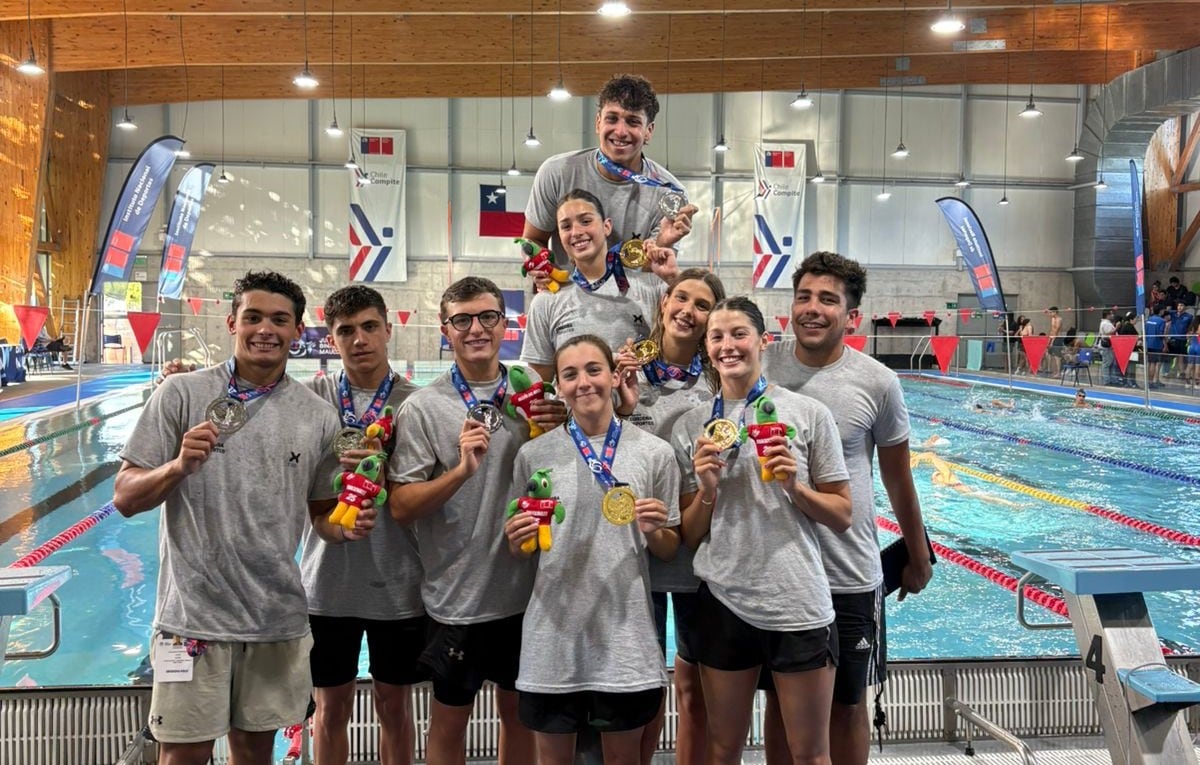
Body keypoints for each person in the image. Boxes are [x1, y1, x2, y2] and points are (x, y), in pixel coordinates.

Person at [112, 271, 357, 765]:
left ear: (297, 331)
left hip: (274, 616)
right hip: (191, 619)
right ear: (232, 323)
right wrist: (178, 466)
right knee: (183, 754)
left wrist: (346, 526)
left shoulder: (318, 416)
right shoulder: (180, 394)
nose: (265, 328)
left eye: (279, 319)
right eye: (253, 317)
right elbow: (125, 497)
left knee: (253, 752)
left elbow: (321, 517)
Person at [759, 252, 931, 765]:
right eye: (804, 297)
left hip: (849, 572)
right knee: (781, 707)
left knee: (848, 705)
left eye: (828, 299)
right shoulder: (763, 368)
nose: (812, 309)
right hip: (780, 570)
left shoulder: (878, 382)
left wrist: (918, 557)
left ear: (852, 316)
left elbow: (898, 479)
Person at [388, 276, 564, 765]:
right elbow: (401, 507)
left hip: (529, 595)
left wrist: (556, 435)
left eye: (487, 316)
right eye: (462, 320)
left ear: (505, 324)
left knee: (519, 717)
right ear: (446, 330)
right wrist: (463, 472)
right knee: (448, 722)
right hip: (457, 598)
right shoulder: (424, 407)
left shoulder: (540, 397)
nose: (476, 329)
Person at [671, 296, 852, 765]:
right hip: (724, 598)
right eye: (716, 336)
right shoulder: (693, 425)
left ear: (762, 341)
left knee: (810, 753)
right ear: (706, 348)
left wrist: (796, 487)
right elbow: (690, 536)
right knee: (723, 746)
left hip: (797, 601)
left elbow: (841, 513)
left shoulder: (809, 414)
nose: (727, 345)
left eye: (738, 334)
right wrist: (707, 489)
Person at [504, 334, 680, 765]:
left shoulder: (655, 453)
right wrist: (516, 541)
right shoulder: (533, 454)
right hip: (552, 640)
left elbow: (669, 549)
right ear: (559, 386)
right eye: (570, 374)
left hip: (625, 643)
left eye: (593, 370)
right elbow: (522, 550)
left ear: (614, 376)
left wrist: (656, 530)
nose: (583, 382)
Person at [300, 286, 425, 765]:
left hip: (400, 583)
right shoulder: (312, 398)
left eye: (370, 326)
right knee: (330, 708)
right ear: (332, 339)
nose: (360, 340)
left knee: (395, 706)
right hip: (328, 586)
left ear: (389, 330)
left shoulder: (418, 402)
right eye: (346, 331)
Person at [613, 268, 726, 765]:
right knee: (639, 690)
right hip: (637, 552)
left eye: (702, 305)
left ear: (711, 318)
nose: (688, 310)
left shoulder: (718, 380)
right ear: (663, 303)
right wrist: (617, 404)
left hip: (700, 555)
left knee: (696, 689)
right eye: (681, 297)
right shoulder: (626, 368)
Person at [523, 74, 695, 282]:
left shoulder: (669, 193)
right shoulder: (557, 172)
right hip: (567, 301)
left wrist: (662, 244)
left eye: (633, 122)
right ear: (598, 123)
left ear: (648, 132)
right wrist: (541, 266)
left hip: (632, 309)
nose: (621, 131)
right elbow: (533, 239)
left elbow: (654, 271)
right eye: (612, 118)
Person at [520, 190, 667, 382]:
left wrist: (671, 275)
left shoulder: (653, 287)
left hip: (644, 410)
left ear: (607, 227)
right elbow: (541, 385)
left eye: (586, 221)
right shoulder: (546, 302)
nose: (576, 232)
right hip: (576, 410)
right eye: (565, 226)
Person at [909, 452, 1024, 509]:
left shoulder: (948, 478)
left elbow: (932, 456)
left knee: (988, 498)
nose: (934, 478)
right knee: (986, 499)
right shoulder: (945, 485)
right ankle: (1013, 505)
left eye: (936, 475)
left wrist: (918, 457)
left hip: (967, 491)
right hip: (966, 492)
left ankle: (1014, 505)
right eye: (933, 477)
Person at [1144, 306, 1168, 389]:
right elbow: (1161, 334)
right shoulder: (1162, 321)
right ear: (1161, 311)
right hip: (1156, 344)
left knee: (1150, 363)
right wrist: (1165, 344)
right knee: (1154, 363)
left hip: (1148, 343)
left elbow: (1145, 331)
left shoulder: (1149, 319)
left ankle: (1148, 381)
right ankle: (1151, 382)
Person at [1097, 310, 1117, 385]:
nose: (1112, 315)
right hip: (1106, 346)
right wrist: (1116, 328)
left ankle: (1111, 379)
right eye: (1111, 314)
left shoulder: (1106, 323)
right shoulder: (1105, 323)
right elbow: (1108, 333)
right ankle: (1107, 380)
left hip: (1109, 346)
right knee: (1107, 363)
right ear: (1107, 315)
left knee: (1111, 363)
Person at [1045, 307, 1062, 376]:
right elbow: (1052, 330)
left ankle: (1058, 373)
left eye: (1051, 312)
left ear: (1055, 312)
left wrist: (1052, 341)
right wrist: (1049, 339)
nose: (1050, 314)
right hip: (1052, 337)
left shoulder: (1059, 319)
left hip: (1057, 338)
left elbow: (1056, 331)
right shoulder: (1052, 319)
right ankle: (1054, 371)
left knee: (1057, 356)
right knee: (1050, 354)